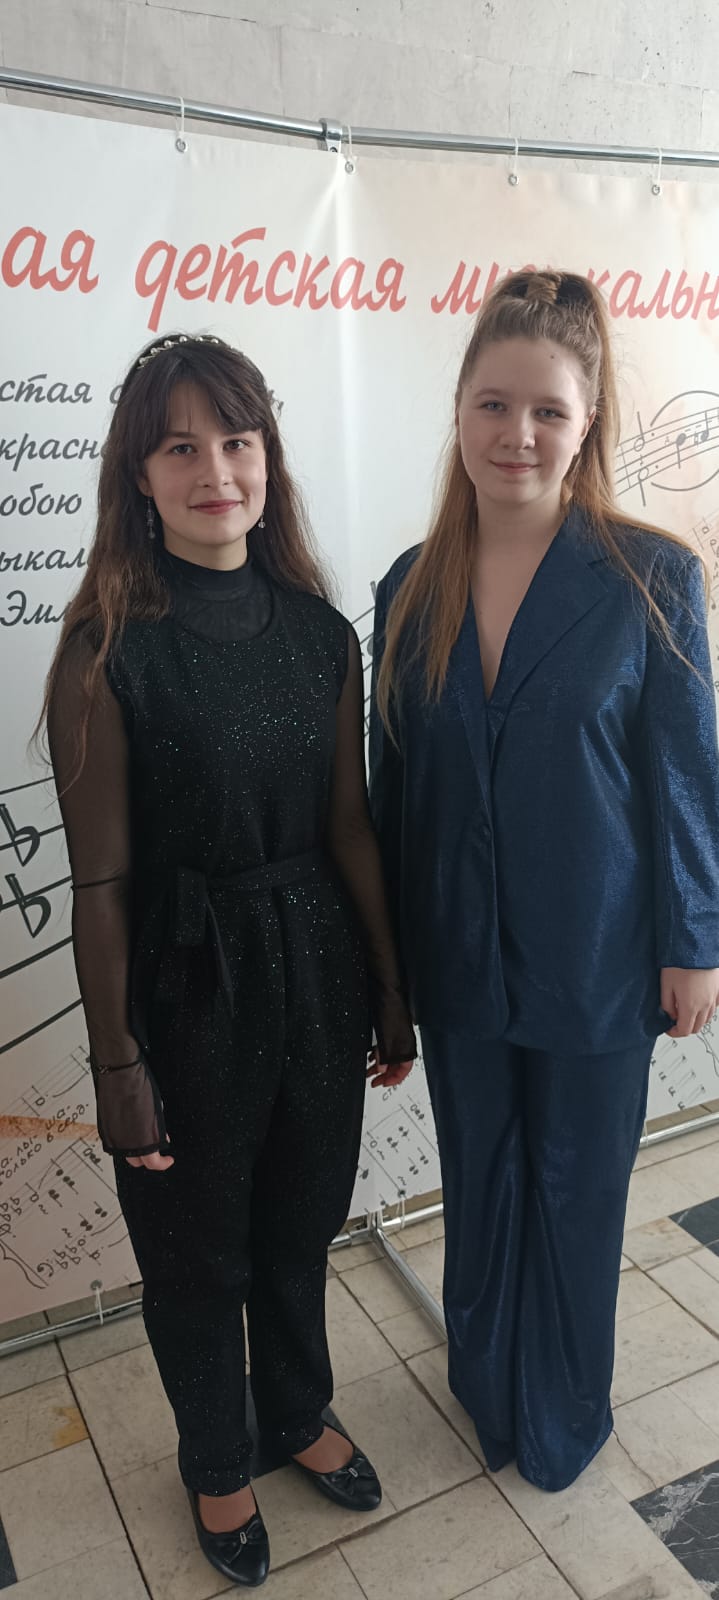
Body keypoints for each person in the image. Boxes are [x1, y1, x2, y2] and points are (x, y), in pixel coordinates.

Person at [43, 331, 415, 1588]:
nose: (216, 471)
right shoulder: (105, 648)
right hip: (185, 983)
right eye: (180, 447)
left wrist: (389, 987)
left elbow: (349, 825)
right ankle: (215, 1456)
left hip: (316, 966)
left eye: (237, 441)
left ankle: (295, 1411)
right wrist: (117, 1067)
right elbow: (99, 883)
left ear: (269, 457)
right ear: (138, 477)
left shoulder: (318, 632)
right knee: (197, 1252)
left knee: (300, 1222)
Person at [369, 270, 719, 1494]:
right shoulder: (408, 585)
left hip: (597, 952)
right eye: (492, 404)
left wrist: (693, 941)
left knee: (575, 1188)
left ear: (586, 423)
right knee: (480, 1177)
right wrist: (386, 974)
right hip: (456, 953)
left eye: (546, 411)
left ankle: (561, 1412)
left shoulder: (648, 576)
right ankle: (487, 1386)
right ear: (459, 411)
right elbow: (394, 794)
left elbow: (683, 776)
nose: (515, 434)